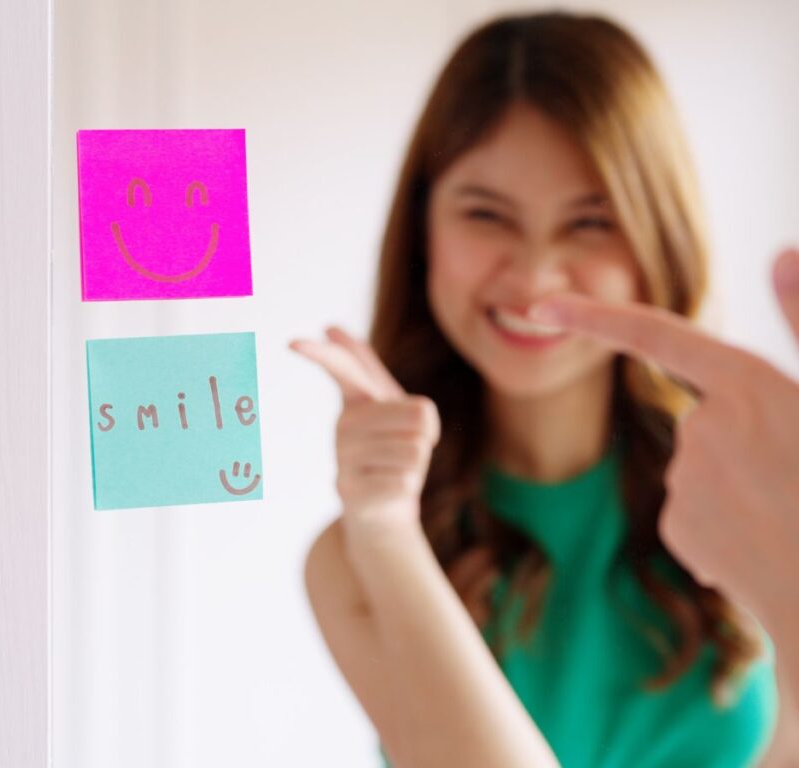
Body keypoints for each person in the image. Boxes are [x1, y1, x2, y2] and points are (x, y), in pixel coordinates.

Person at [291, 11, 792, 767]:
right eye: (487, 214)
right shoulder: (357, 558)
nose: (533, 278)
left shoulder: (749, 500)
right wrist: (388, 530)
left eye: (591, 223)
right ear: (423, 228)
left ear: (658, 240)